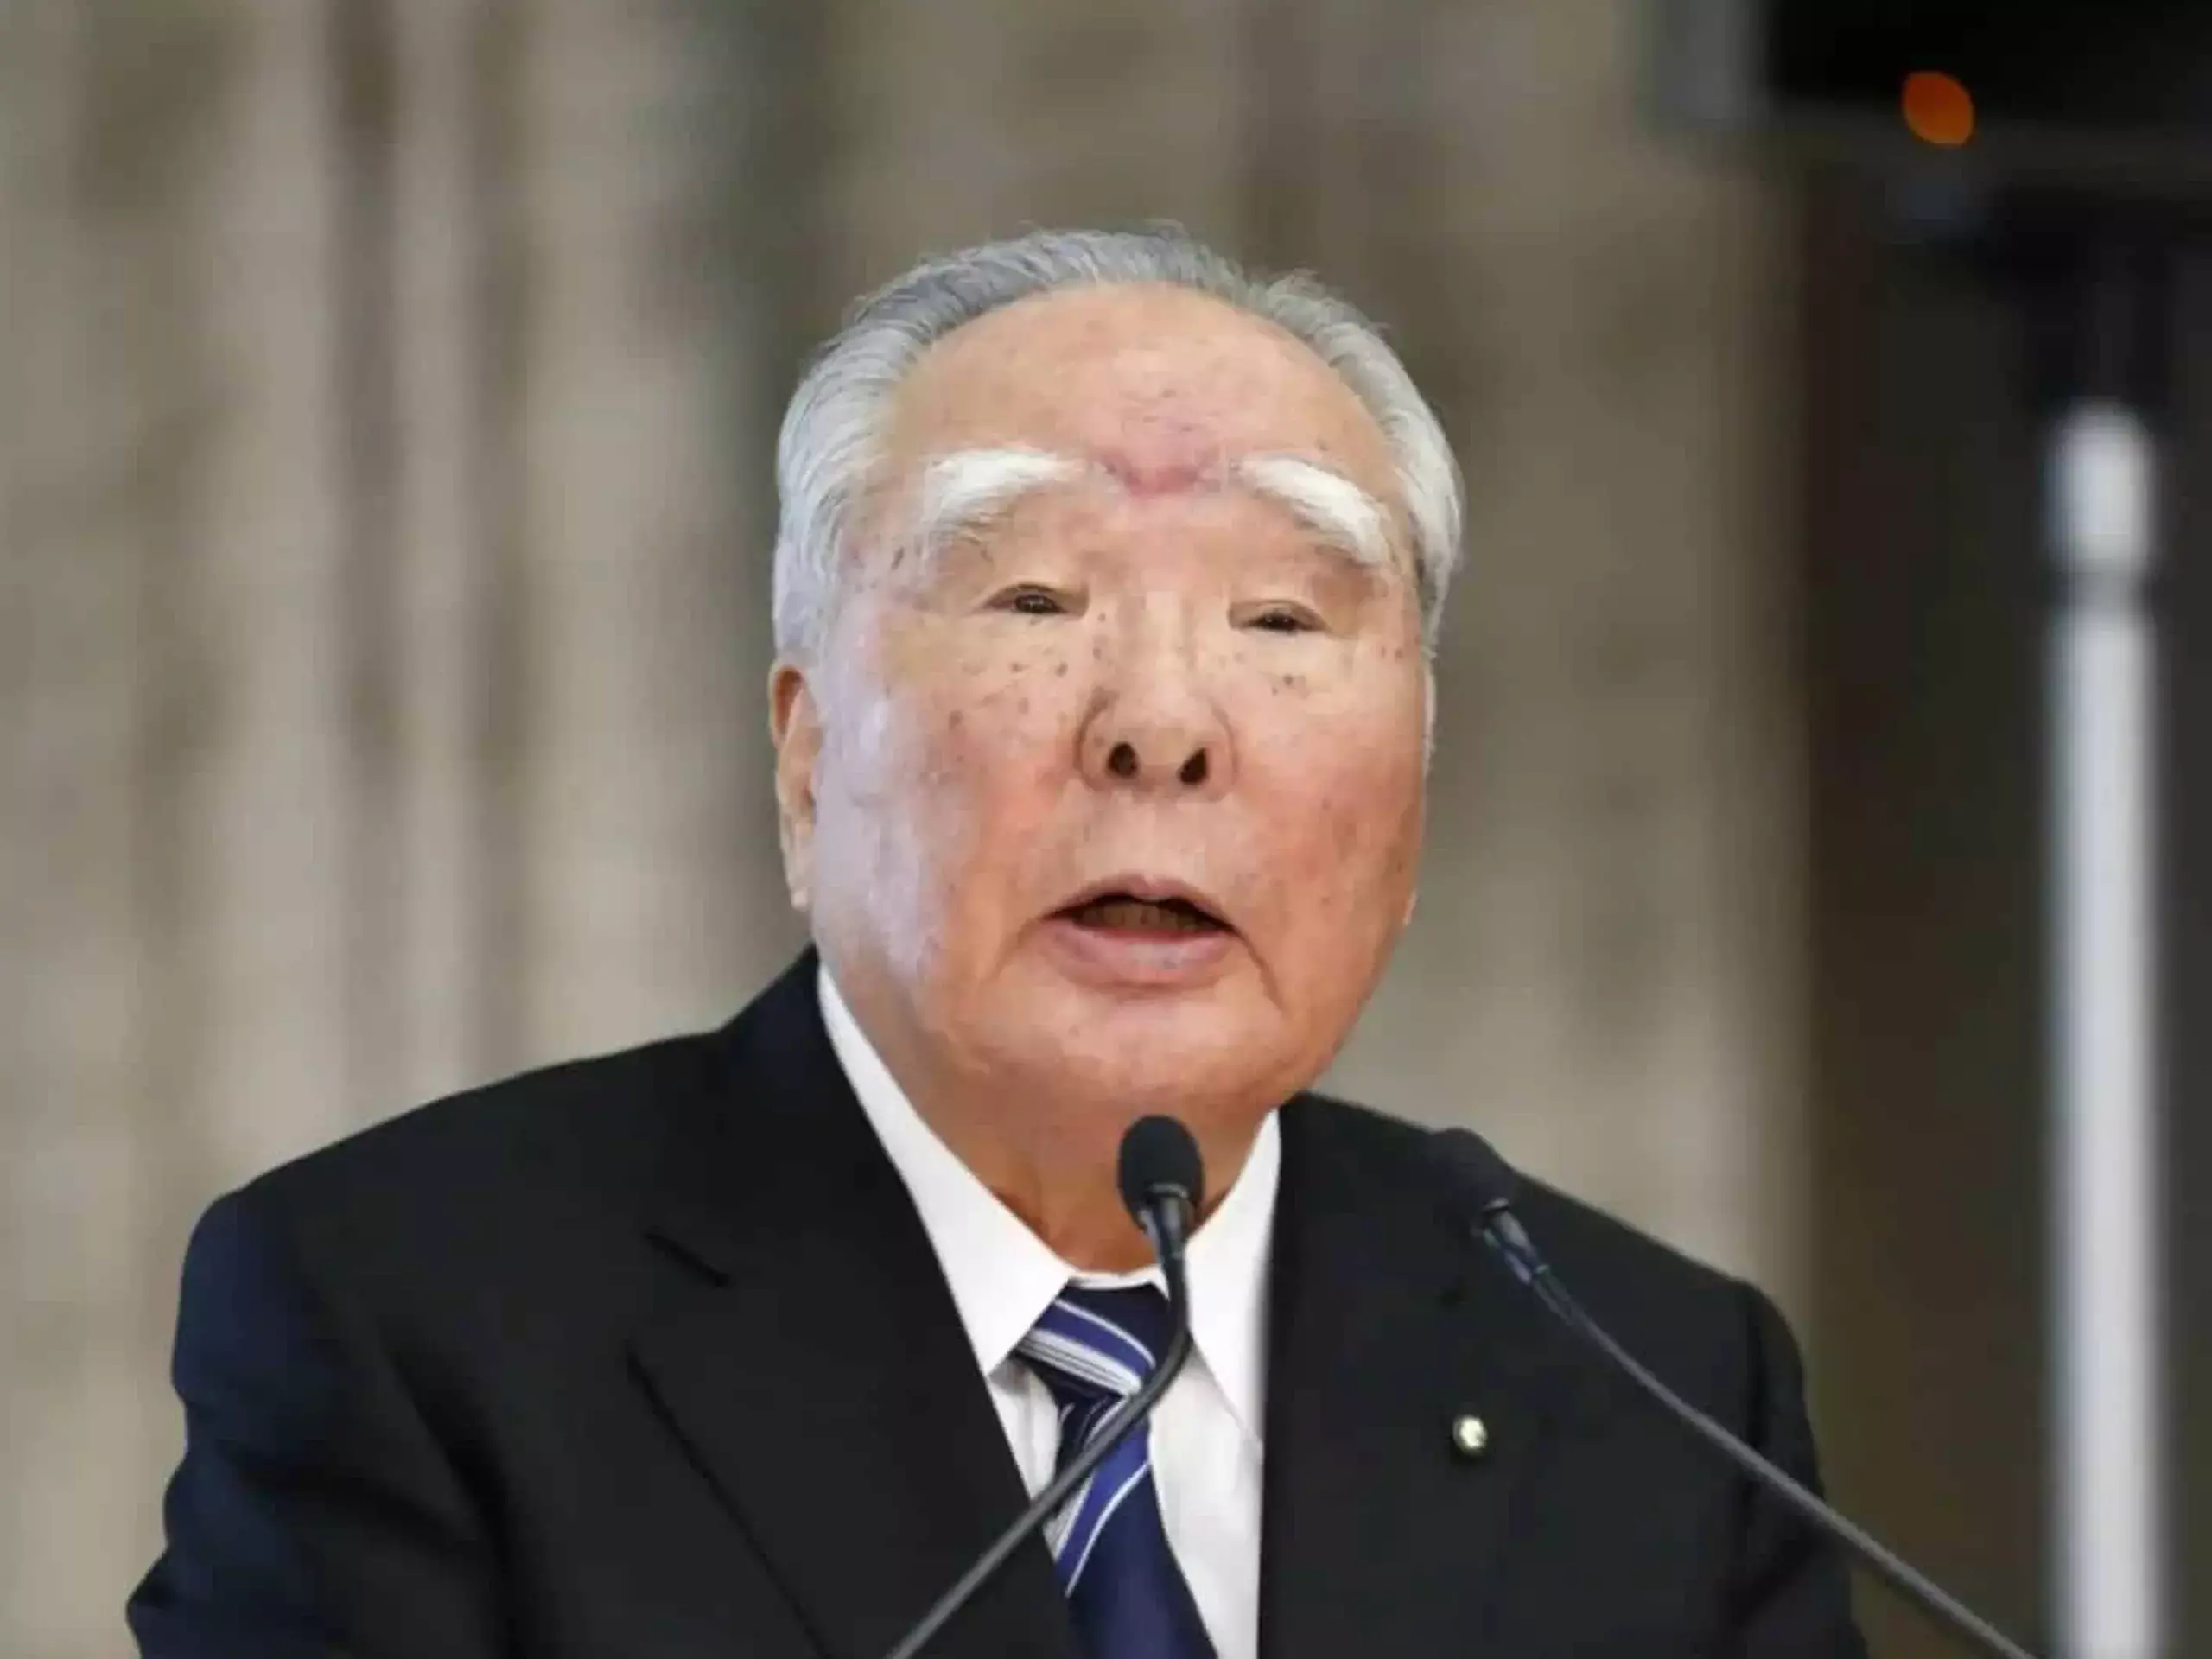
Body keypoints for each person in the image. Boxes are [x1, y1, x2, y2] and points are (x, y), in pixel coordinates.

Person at [129, 228, 1865, 1659]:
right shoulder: (416, 1322)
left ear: (1410, 805)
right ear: (806, 760)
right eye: (1033, 599)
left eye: (1279, 618)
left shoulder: (1648, 1388)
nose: (1160, 724)